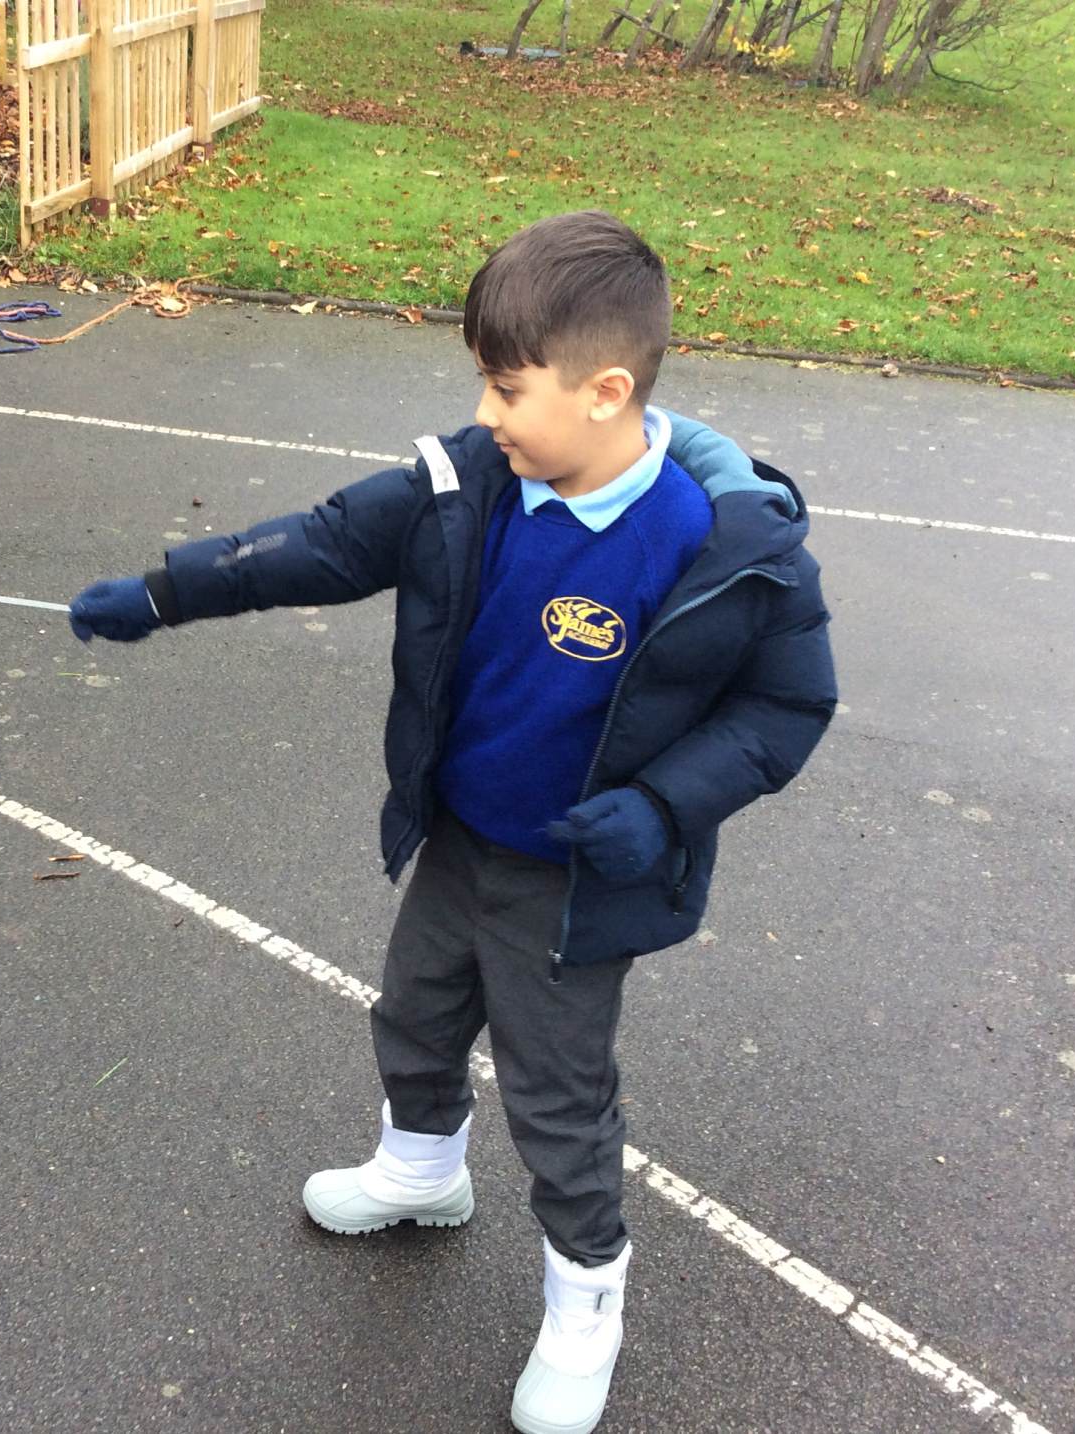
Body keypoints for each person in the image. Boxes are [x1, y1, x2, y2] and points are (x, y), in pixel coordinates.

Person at [68, 210, 838, 1434]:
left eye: (507, 389)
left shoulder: (730, 547)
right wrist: (166, 593)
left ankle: (587, 1300)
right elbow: (324, 544)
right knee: (415, 1013)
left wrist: (662, 806)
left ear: (605, 391)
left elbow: (787, 705)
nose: (486, 414)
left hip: (576, 881)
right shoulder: (474, 484)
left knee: (556, 1095)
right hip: (463, 835)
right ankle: (423, 1171)